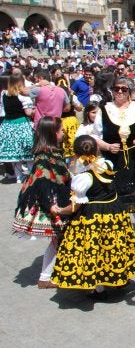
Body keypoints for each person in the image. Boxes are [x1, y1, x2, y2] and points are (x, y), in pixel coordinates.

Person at [50, 135, 135, 300]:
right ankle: (120, 277)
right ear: (96, 149)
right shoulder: (107, 164)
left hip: (93, 216)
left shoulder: (83, 177)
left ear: (76, 153)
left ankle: (98, 289)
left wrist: (59, 210)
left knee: (94, 251)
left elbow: (75, 206)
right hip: (114, 212)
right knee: (115, 245)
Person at [93, 76, 135, 245]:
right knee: (115, 193)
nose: (119, 92)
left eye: (124, 89)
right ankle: (120, 227)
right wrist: (107, 146)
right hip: (112, 157)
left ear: (129, 92)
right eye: (116, 88)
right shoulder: (104, 110)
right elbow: (95, 136)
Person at [12, 116, 71, 289]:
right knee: (56, 238)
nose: (63, 133)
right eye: (60, 130)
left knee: (57, 238)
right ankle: (45, 277)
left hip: (54, 200)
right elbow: (43, 183)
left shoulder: (51, 153)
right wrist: (52, 206)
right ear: (53, 133)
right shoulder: (44, 156)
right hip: (50, 203)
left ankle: (51, 273)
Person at [0, 75, 34, 183]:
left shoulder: (3, 94)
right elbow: (28, 112)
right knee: (29, 151)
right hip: (21, 124)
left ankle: (18, 176)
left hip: (8, 125)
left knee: (15, 154)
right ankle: (30, 174)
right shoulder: (22, 96)